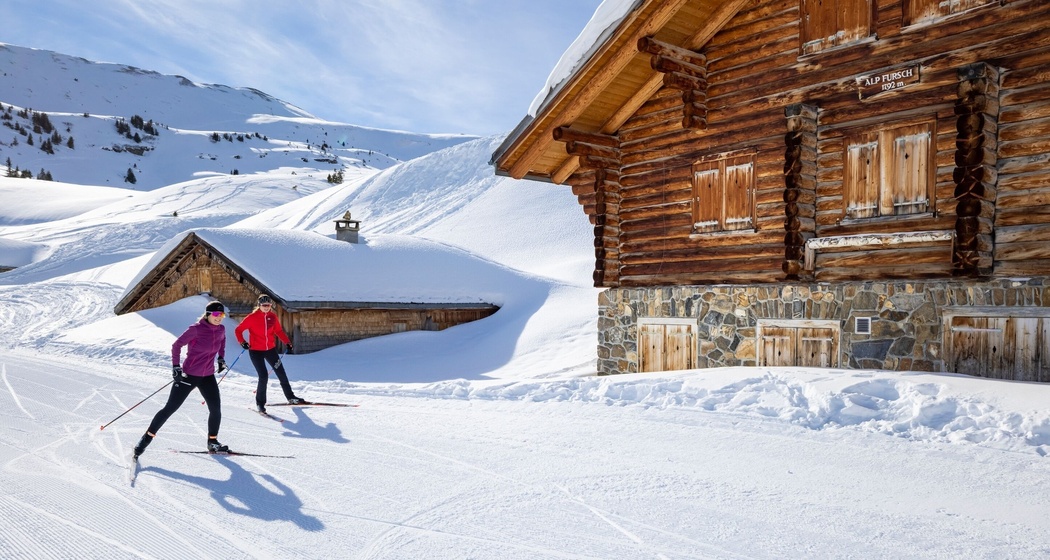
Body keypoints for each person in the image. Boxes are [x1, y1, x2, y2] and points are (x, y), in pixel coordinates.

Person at [133, 301, 230, 458]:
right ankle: (145, 439)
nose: (219, 318)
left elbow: (222, 342)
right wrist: (176, 367)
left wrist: (221, 358)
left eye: (222, 315)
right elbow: (176, 345)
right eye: (216, 314)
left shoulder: (221, 329)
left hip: (208, 376)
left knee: (216, 409)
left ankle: (212, 441)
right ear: (208, 314)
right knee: (170, 408)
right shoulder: (196, 330)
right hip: (189, 375)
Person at [235, 294, 303, 413]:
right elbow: (238, 330)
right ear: (259, 305)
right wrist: (242, 342)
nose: (266, 307)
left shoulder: (272, 317)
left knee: (281, 373)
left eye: (268, 305)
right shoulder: (252, 317)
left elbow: (278, 331)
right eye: (264, 305)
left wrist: (287, 342)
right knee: (263, 376)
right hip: (256, 352)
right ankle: (260, 403)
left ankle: (291, 397)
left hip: (270, 350)